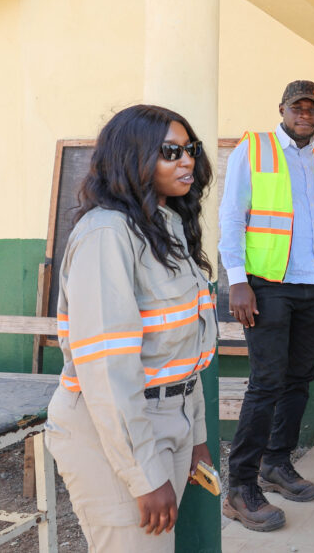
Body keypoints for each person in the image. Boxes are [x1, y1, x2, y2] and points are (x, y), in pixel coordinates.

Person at [45, 105, 217, 552]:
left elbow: (184, 352)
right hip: (114, 430)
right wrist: (144, 476)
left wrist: (197, 438)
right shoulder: (106, 235)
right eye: (171, 151)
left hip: (169, 420)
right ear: (133, 157)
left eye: (191, 149)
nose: (187, 160)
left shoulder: (166, 225)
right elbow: (108, 371)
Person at [219, 80, 314, 531]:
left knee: (299, 379)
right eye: (298, 107)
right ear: (282, 109)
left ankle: (276, 463)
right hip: (267, 284)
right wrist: (237, 280)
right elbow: (231, 215)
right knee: (266, 383)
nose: (305, 114)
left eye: (313, 108)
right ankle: (240, 487)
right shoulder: (254, 149)